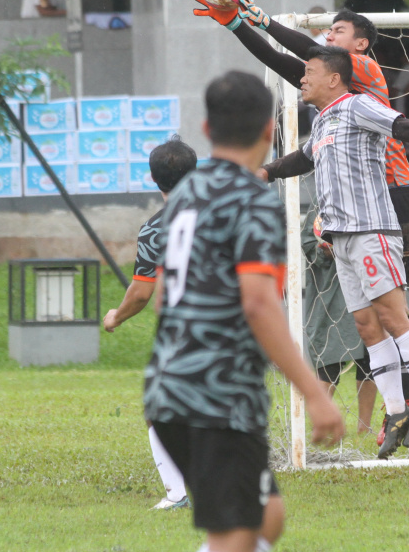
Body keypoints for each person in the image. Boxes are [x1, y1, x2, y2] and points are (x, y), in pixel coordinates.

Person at [144, 71, 344, 552]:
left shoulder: (183, 197)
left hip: (168, 385)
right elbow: (258, 303)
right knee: (237, 533)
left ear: (207, 130)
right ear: (269, 132)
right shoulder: (253, 201)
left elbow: (160, 298)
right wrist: (313, 392)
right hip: (217, 393)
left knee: (266, 517)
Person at [260, 46, 409, 458]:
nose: (302, 79)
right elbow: (303, 159)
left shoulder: (358, 105)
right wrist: (266, 171)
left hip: (371, 231)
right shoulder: (324, 119)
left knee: (394, 318)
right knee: (366, 326)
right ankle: (396, 411)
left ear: (334, 79)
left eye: (309, 72)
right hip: (341, 238)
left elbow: (400, 125)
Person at [192, 0, 409, 289]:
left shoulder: (365, 66)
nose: (328, 36)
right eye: (328, 31)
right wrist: (236, 24)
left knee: (394, 300)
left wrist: (264, 22)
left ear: (361, 44)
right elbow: (280, 62)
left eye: (338, 30)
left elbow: (310, 52)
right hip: (356, 197)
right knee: (370, 310)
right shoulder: (330, 87)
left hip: (392, 191)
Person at [103, 136, 197, 511]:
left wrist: (116, 316)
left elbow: (141, 293)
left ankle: (178, 493)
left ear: (155, 181)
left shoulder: (155, 230)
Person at [304, 208, 409, 434]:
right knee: (328, 361)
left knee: (370, 359)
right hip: (332, 294)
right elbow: (308, 243)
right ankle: (317, 427)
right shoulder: (320, 200)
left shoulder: (371, 197)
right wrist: (326, 249)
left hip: (368, 281)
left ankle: (364, 428)